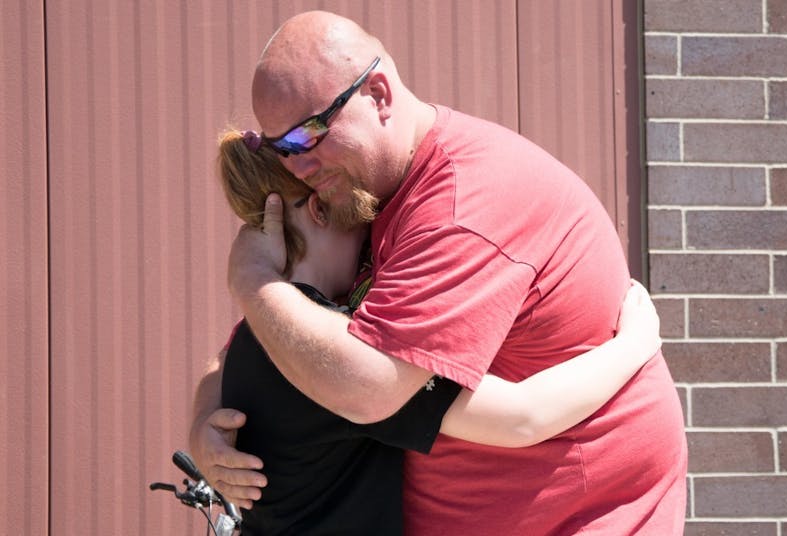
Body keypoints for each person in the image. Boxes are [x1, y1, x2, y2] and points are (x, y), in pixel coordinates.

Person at [199, 11, 688, 535]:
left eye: (307, 136)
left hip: (581, 515)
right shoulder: (351, 219)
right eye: (281, 149)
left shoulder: (454, 208)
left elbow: (351, 378)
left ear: (379, 95)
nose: (299, 167)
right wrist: (204, 425)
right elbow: (350, 375)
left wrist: (256, 285)